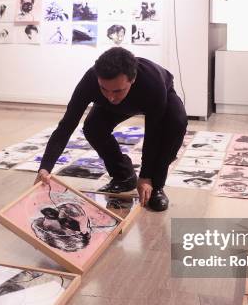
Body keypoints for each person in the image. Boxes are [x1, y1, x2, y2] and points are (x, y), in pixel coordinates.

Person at [35, 47, 188, 212]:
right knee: (93, 127)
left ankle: (156, 186)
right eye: (103, 89)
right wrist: (45, 167)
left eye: (117, 90)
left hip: (158, 94)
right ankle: (124, 176)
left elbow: (154, 132)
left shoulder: (152, 83)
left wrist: (146, 176)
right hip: (117, 105)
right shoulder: (90, 81)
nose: (110, 96)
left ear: (133, 79)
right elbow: (66, 126)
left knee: (176, 123)